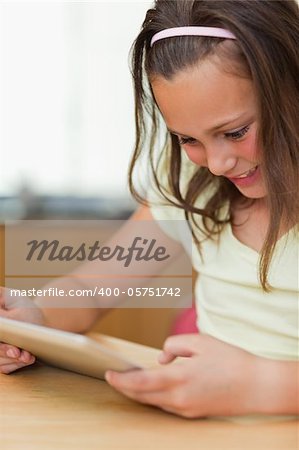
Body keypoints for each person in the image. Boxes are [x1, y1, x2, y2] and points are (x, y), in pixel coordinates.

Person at [0, 0, 298, 419]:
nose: (216, 163)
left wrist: (259, 386)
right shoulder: (189, 186)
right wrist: (35, 317)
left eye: (235, 131)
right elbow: (92, 288)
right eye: (188, 139)